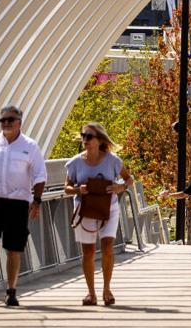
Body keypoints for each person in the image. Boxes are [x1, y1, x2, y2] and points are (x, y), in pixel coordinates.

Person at [0, 104, 47, 308]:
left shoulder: (30, 146)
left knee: (13, 249)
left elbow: (40, 176)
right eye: (2, 120)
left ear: (19, 122)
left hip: (18, 203)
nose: (5, 123)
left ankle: (11, 291)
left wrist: (37, 201)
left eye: (9, 120)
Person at [65, 123, 131, 307]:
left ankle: (107, 289)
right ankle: (91, 293)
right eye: (83, 136)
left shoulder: (113, 160)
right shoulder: (75, 162)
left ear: (100, 140)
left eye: (89, 136)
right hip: (85, 209)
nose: (85, 140)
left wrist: (121, 187)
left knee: (108, 247)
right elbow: (67, 188)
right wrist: (79, 189)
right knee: (88, 252)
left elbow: (129, 179)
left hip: (108, 208)